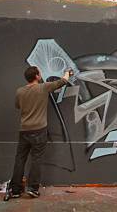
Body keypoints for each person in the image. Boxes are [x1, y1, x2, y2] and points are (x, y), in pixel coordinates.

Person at [6, 66, 70, 199]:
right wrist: (67, 72)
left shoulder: (20, 91)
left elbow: (18, 106)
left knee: (20, 159)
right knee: (36, 159)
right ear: (36, 76)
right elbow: (63, 82)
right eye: (39, 73)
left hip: (24, 131)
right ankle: (32, 188)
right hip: (39, 130)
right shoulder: (43, 87)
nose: (41, 74)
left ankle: (15, 190)